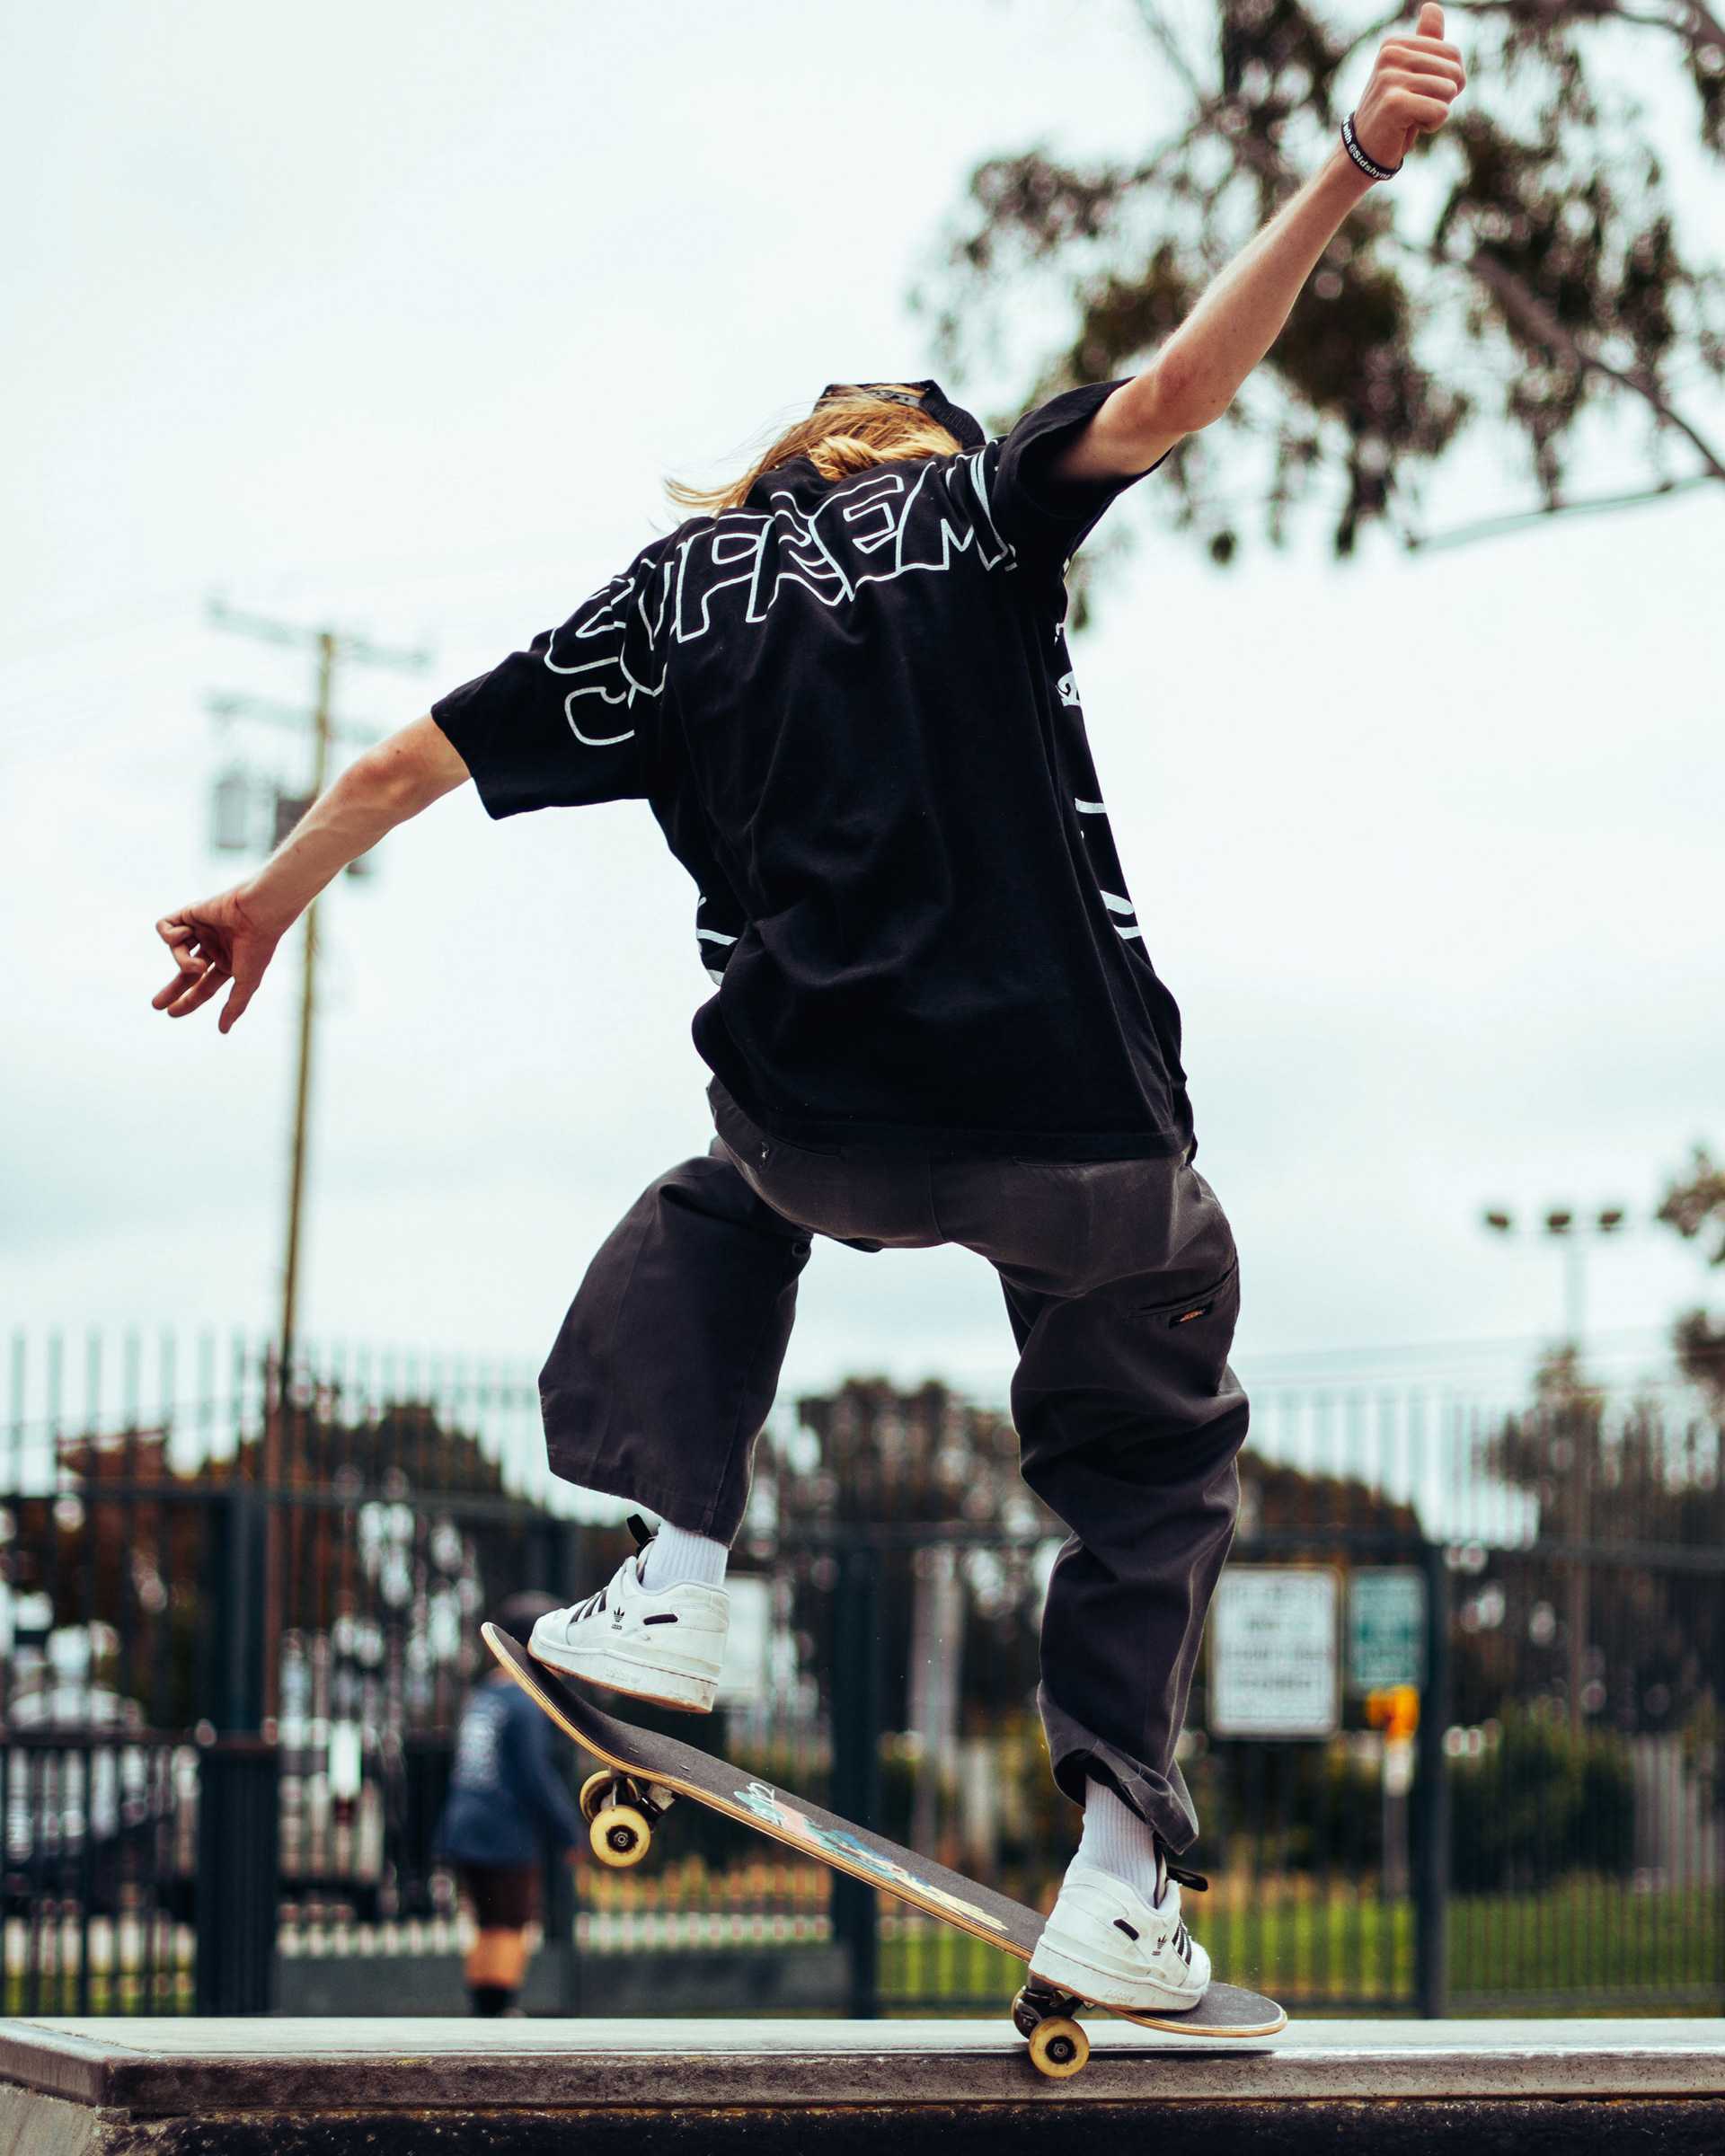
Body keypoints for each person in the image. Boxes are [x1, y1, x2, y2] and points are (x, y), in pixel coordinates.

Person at [153, 16, 1464, 2017]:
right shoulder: (978, 507)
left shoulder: (679, 594)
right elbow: (1191, 382)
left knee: (716, 1209)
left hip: (818, 1115)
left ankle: (675, 1580)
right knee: (1153, 1447)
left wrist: (267, 896)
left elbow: (419, 759)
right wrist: (1353, 164)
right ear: (918, 448)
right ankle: (1120, 1869)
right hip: (1090, 1132)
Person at [435, 1591, 584, 2016]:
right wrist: (568, 1830)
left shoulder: (485, 1694)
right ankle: (500, 2011)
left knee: (484, 1921)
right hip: (504, 1827)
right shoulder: (525, 1701)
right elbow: (536, 1774)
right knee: (512, 1921)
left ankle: (482, 2009)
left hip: (466, 1821)